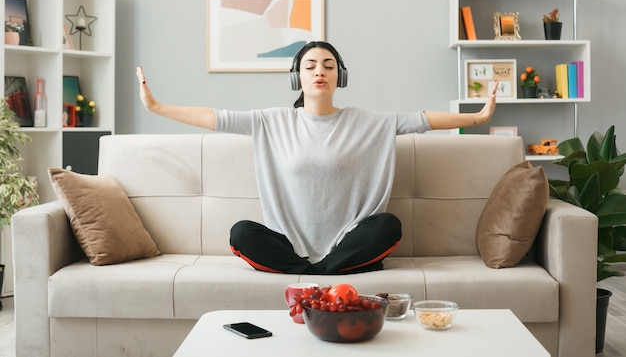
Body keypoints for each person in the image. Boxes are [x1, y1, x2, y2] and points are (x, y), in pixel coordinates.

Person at [136, 41, 497, 275]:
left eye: (327, 65)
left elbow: (423, 120)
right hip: (289, 245)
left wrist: (478, 118)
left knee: (388, 226)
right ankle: (323, 274)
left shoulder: (367, 121)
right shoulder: (271, 121)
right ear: (298, 77)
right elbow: (213, 118)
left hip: (348, 242)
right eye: (310, 66)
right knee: (240, 233)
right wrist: (156, 106)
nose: (319, 71)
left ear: (339, 75)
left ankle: (316, 273)